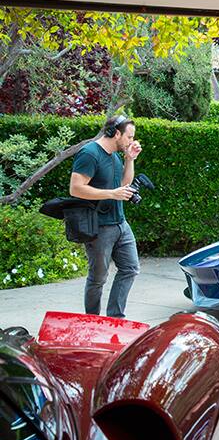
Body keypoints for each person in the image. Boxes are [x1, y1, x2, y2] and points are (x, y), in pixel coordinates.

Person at [70, 115, 142, 318]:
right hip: (98, 227)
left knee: (130, 268)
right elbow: (76, 188)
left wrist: (129, 159)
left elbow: (123, 184)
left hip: (120, 223)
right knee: (98, 277)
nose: (131, 141)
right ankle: (92, 320)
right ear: (116, 133)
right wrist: (111, 193)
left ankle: (115, 317)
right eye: (129, 137)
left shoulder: (114, 155)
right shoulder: (90, 154)